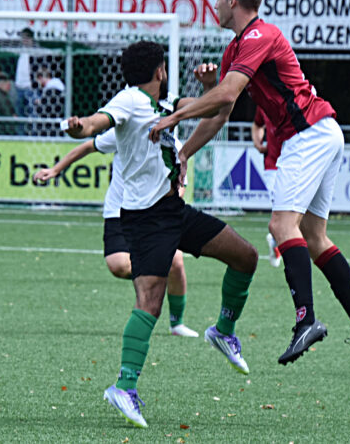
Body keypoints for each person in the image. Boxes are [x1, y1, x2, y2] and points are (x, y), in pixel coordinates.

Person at [150, 0, 350, 379]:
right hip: (319, 134)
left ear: (233, 2)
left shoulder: (261, 36)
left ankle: (305, 320)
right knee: (313, 237)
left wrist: (177, 114)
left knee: (282, 227)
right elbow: (220, 111)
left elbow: (223, 96)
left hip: (308, 135)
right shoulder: (235, 51)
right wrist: (186, 149)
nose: (213, 2)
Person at [63, 41, 258, 428]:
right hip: (146, 220)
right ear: (160, 70)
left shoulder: (163, 105)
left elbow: (220, 107)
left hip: (173, 212)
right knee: (150, 303)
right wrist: (79, 125)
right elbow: (97, 123)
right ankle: (124, 387)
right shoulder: (130, 100)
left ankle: (223, 330)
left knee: (245, 256)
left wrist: (208, 87)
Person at [32, 128, 199, 338]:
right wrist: (56, 170)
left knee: (176, 261)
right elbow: (87, 146)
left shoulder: (174, 146)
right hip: (119, 211)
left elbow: (180, 184)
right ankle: (151, 274)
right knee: (118, 265)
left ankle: (177, 324)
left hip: (154, 215)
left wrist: (172, 198)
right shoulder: (126, 131)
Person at [251, 107, 282, 268]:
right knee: (281, 210)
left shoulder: (298, 98)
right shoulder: (264, 103)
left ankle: (275, 241)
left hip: (296, 164)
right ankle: (278, 243)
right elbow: (257, 124)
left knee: (294, 216)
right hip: (272, 166)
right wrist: (258, 143)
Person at [14, 27, 37, 134]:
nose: (24, 40)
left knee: (33, 113)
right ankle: (20, 134)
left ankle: (34, 134)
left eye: (27, 37)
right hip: (19, 87)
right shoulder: (19, 52)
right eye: (23, 37)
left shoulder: (36, 52)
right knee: (19, 114)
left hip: (30, 87)